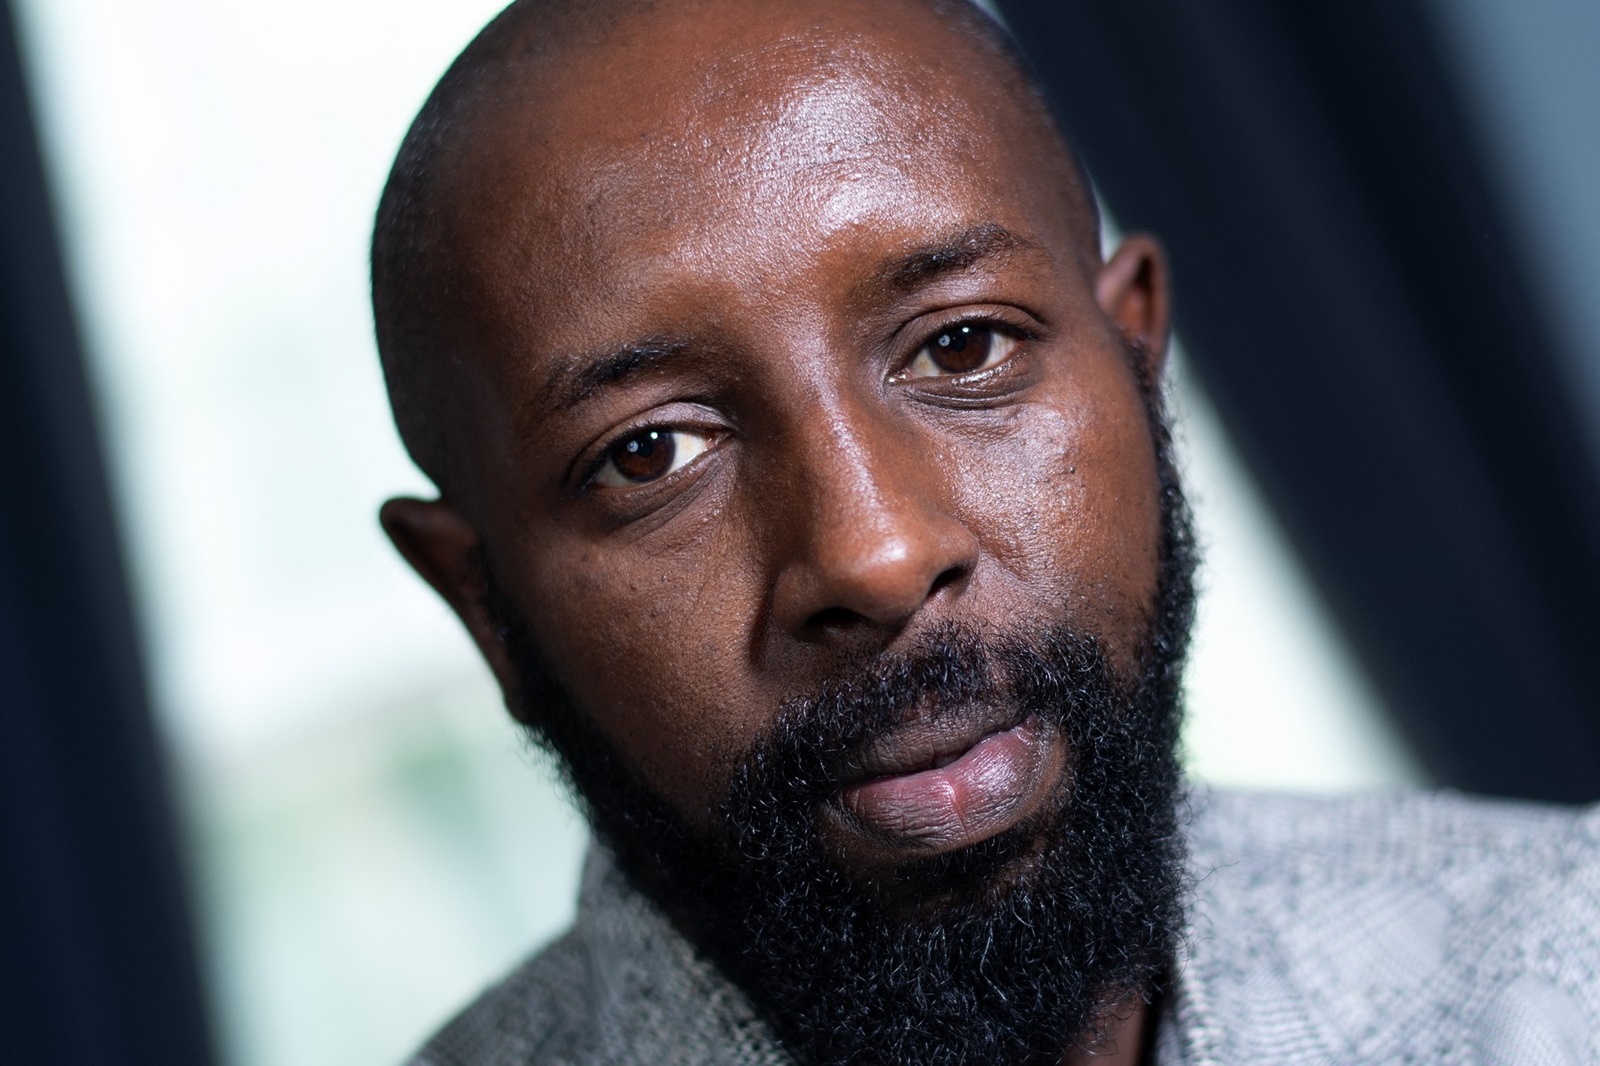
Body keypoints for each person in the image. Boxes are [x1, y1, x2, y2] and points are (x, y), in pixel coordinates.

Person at [370, 0, 1600, 1062]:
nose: (875, 553)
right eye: (651, 452)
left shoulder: (1566, 967)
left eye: (964, 345)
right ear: (483, 603)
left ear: (1137, 357)